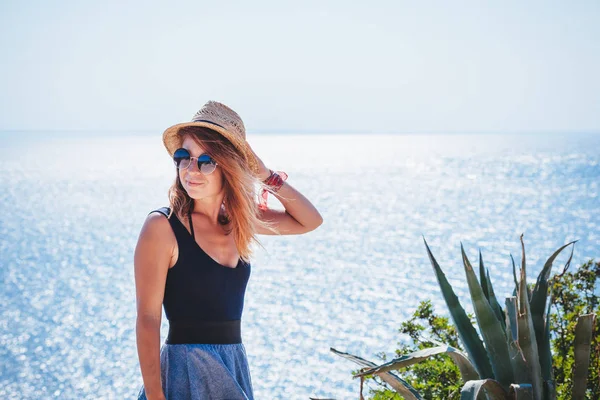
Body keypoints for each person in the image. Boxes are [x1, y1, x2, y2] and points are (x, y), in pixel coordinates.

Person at [134, 100, 323, 400]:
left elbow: (310, 221)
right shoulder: (162, 227)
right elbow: (148, 318)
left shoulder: (238, 222)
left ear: (229, 167)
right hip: (184, 373)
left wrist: (265, 175)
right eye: (184, 157)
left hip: (232, 366)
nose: (191, 169)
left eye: (206, 160)